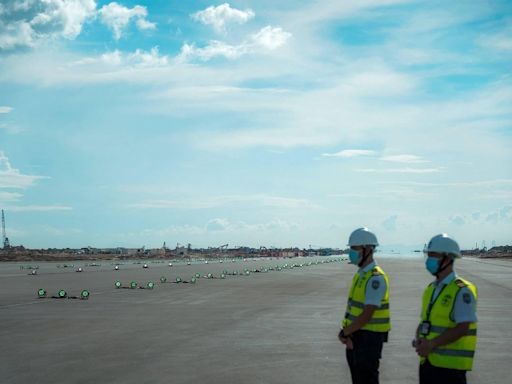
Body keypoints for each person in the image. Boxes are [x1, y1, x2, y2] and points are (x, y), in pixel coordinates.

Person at [414, 234, 478, 384]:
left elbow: (462, 327)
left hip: (450, 370)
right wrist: (419, 339)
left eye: (433, 255)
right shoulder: (431, 289)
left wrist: (431, 344)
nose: (429, 259)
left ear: (448, 258)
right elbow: (425, 321)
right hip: (428, 363)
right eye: (428, 255)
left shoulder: (462, 290)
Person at [338, 227, 391, 384]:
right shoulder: (362, 274)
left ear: (367, 250)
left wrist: (345, 331)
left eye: (354, 248)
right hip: (357, 337)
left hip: (368, 340)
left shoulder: (375, 278)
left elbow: (367, 314)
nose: (351, 252)